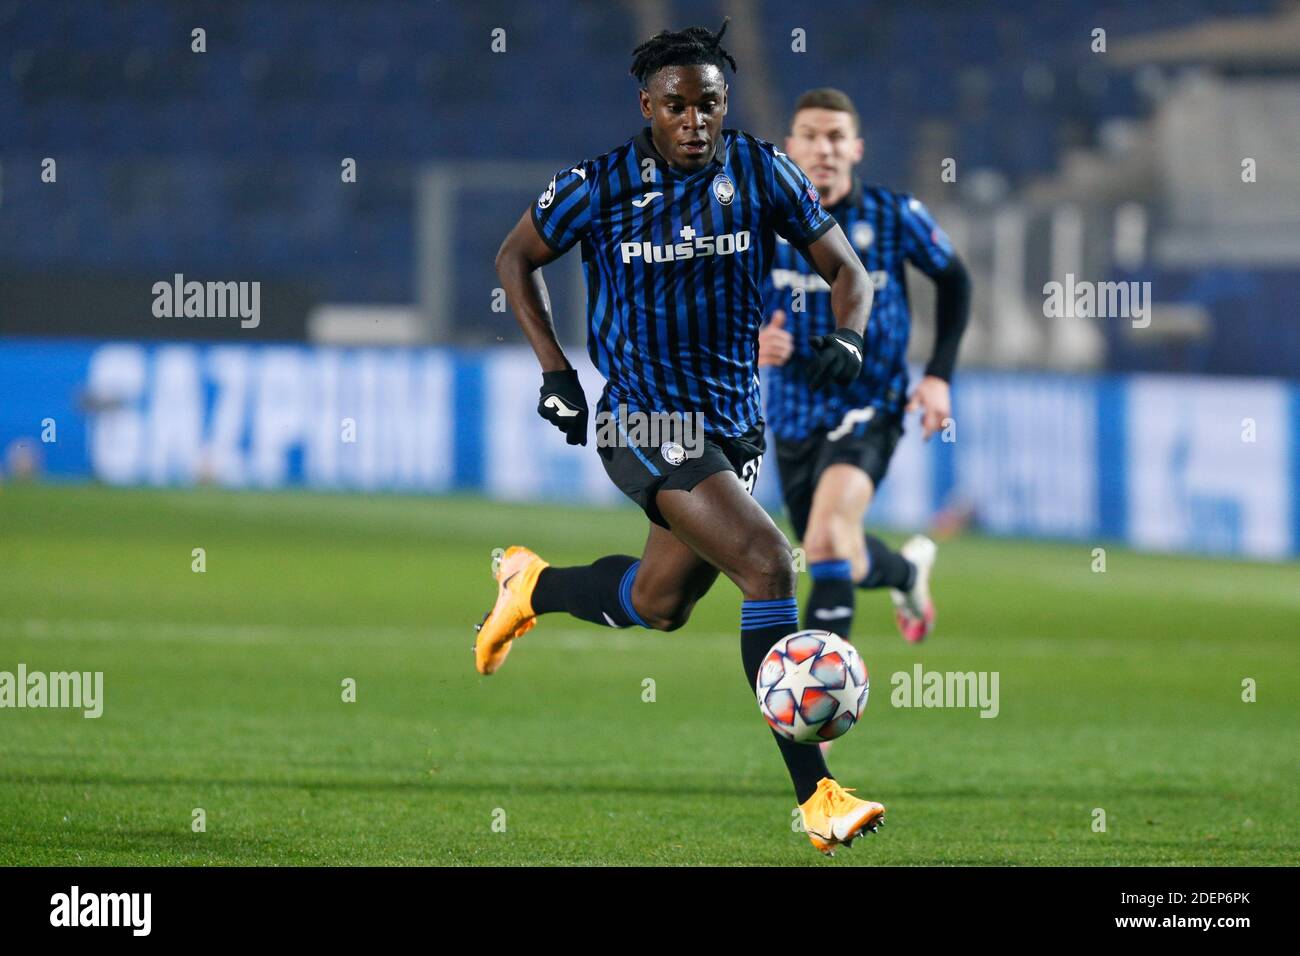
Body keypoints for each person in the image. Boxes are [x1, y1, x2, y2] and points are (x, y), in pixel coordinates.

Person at [482, 23, 883, 854]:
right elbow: (514, 259)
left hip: (732, 429)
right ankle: (818, 797)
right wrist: (557, 374)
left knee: (659, 605)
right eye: (678, 106)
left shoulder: (761, 171)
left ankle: (532, 586)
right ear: (647, 108)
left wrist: (848, 335)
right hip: (641, 420)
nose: (696, 119)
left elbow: (849, 270)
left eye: (710, 103)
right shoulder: (597, 184)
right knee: (768, 562)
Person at [760, 88, 971, 645]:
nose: (822, 148)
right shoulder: (762, 223)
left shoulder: (894, 215)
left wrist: (938, 376)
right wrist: (753, 341)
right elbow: (722, 304)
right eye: (810, 135)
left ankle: (821, 695)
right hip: (792, 411)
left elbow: (955, 280)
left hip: (870, 405)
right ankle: (905, 572)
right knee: (834, 549)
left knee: (828, 536)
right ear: (789, 147)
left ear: (856, 148)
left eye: (835, 137)